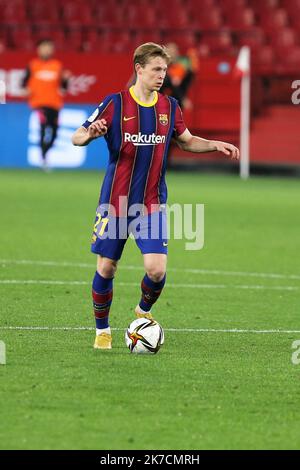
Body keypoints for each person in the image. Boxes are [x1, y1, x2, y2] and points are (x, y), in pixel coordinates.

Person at [72, 42, 239, 350]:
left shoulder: (170, 107)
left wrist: (214, 143)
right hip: (115, 202)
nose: (162, 75)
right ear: (139, 69)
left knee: (157, 269)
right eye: (156, 69)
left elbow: (187, 141)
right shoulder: (115, 103)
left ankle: (142, 312)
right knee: (107, 267)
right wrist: (90, 134)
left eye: (164, 69)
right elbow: (77, 136)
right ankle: (102, 331)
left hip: (151, 202)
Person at [21, 39, 70, 170]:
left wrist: (66, 81)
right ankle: (43, 159)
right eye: (44, 47)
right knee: (43, 129)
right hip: (39, 103)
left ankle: (44, 155)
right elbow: (23, 83)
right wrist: (27, 90)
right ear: (39, 49)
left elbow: (64, 87)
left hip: (55, 104)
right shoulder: (32, 65)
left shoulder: (57, 66)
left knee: (54, 133)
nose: (46, 50)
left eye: (49, 47)